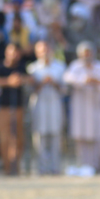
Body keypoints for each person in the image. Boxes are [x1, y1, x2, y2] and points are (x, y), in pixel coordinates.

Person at [63, 41, 100, 174]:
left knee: (96, 136)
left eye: (89, 53)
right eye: (84, 54)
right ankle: (83, 165)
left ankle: (96, 166)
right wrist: (83, 80)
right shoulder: (75, 66)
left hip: (95, 106)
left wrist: (96, 79)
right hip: (80, 107)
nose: (87, 56)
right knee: (81, 136)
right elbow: (67, 78)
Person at [0, 43, 29, 176]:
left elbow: (31, 79)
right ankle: (7, 168)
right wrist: (8, 82)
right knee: (4, 139)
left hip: (18, 108)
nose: (13, 55)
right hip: (3, 108)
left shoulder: (22, 67)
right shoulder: (0, 67)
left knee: (18, 139)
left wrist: (21, 80)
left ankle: (16, 167)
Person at [27, 40, 65, 175]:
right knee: (40, 136)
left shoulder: (60, 67)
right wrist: (42, 83)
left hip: (55, 104)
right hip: (39, 105)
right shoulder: (32, 68)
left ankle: (55, 167)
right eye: (42, 50)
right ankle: (42, 168)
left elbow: (65, 89)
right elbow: (29, 89)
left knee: (56, 135)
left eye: (47, 49)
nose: (45, 53)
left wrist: (54, 83)